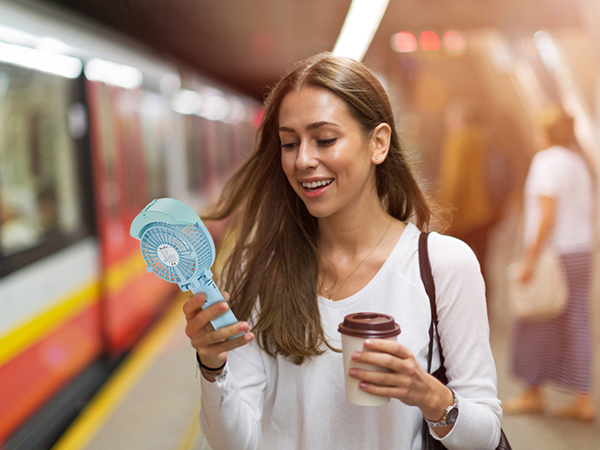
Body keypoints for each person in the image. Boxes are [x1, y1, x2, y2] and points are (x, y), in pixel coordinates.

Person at [183, 53, 502, 449]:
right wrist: (212, 367)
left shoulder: (442, 266)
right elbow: (234, 443)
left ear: (378, 143)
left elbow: (485, 436)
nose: (302, 160)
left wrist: (429, 396)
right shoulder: (256, 268)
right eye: (288, 143)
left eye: (325, 140)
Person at [504, 106, 597, 422]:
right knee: (576, 322)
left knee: (533, 320)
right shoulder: (577, 162)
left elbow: (546, 214)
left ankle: (533, 393)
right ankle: (583, 398)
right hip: (580, 251)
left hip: (554, 255)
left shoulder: (547, 161)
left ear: (545, 132)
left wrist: (529, 260)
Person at [437, 98, 497, 283]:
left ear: (455, 120)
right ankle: (486, 306)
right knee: (483, 262)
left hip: (464, 215)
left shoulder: (457, 141)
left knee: (458, 266)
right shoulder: (483, 138)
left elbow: (455, 180)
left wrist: (443, 212)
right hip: (487, 211)